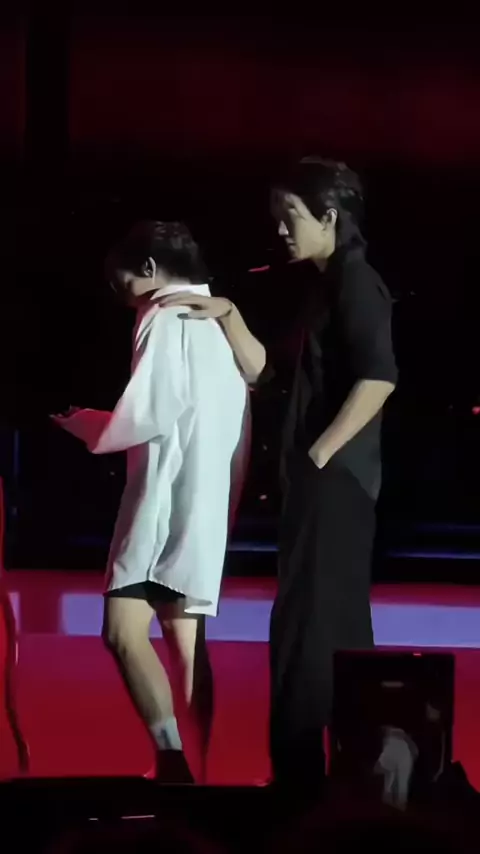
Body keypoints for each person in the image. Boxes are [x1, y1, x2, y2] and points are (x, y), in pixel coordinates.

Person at [166, 159, 397, 790]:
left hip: (333, 483)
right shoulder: (324, 286)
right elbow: (271, 376)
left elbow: (379, 378)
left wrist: (320, 454)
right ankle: (340, 778)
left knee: (308, 634)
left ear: (329, 216)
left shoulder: (356, 282)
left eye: (291, 215)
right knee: (326, 631)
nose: (281, 229)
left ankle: (300, 782)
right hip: (323, 484)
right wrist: (228, 315)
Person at [51, 220, 266, 783]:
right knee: (187, 645)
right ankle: (200, 770)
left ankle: (172, 762)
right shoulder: (216, 316)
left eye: (121, 282)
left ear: (148, 269)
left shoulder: (162, 312)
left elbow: (147, 412)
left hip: (161, 501)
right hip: (206, 502)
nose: (122, 295)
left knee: (123, 632)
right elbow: (253, 378)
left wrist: (83, 424)